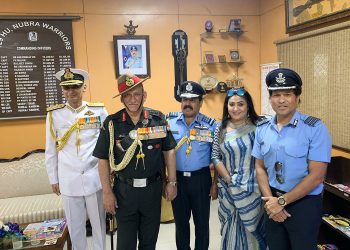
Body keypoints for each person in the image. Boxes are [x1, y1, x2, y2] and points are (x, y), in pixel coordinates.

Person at [93, 73, 177, 250]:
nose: (133, 99)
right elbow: (102, 159)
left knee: (149, 243)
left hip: (152, 191)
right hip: (125, 193)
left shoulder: (158, 119)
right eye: (128, 95)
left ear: (144, 95)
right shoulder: (112, 124)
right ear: (122, 99)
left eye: (137, 94)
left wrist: (172, 182)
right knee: (125, 244)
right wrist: (107, 193)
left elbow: (169, 151)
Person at [252, 68, 332, 250]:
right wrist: (270, 200)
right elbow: (259, 167)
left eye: (287, 94)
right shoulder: (262, 128)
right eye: (276, 95)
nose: (281, 100)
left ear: (297, 97)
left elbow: (317, 177)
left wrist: (282, 202)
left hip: (304, 204)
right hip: (271, 200)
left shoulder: (315, 128)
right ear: (270, 99)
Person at [45, 68, 108, 250]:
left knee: (99, 226)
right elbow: (51, 150)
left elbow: (106, 145)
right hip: (68, 179)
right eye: (67, 88)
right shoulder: (54, 114)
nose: (71, 91)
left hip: (94, 177)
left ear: (84, 87)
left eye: (76, 86)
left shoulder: (98, 110)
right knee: (75, 227)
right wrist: (53, 178)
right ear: (63, 90)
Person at [211, 86, 267, 250]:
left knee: (253, 229)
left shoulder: (259, 127)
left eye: (240, 104)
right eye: (232, 104)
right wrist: (229, 180)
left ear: (248, 105)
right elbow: (215, 156)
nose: (236, 108)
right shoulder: (220, 128)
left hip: (254, 189)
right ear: (226, 106)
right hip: (228, 189)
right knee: (231, 228)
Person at [167, 81, 217, 250]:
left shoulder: (211, 126)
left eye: (192, 100)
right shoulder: (170, 123)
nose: (187, 103)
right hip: (177, 179)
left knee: (202, 224)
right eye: (184, 99)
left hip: (201, 180)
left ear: (200, 102)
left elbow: (217, 158)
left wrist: (215, 183)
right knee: (181, 224)